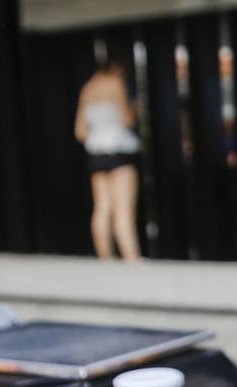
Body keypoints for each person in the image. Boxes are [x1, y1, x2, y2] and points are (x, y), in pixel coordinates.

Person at [74, 62, 141, 261]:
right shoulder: (115, 83)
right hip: (118, 150)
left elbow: (80, 132)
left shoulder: (88, 88)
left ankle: (105, 259)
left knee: (102, 207)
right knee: (124, 210)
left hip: (97, 154)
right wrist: (135, 109)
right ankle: (131, 259)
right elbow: (126, 118)